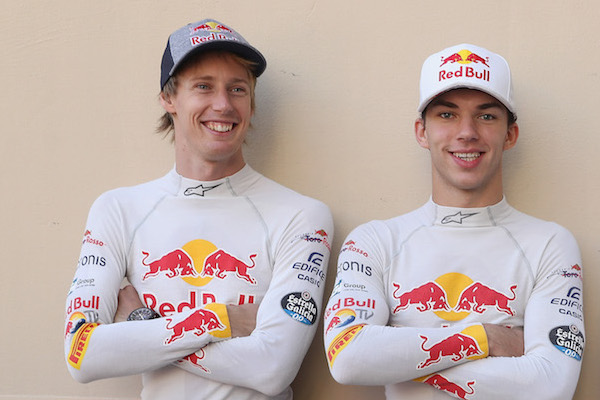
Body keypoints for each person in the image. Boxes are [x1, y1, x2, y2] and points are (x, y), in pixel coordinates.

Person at [64, 19, 333, 400]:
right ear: (168, 98)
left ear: (252, 104)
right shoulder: (118, 209)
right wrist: (221, 320)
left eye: (237, 89)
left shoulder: (302, 216)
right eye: (203, 86)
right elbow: (82, 355)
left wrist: (143, 325)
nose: (222, 105)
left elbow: (271, 369)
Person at [323, 43, 584, 399]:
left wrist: (397, 358)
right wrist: (485, 338)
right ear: (421, 131)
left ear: (510, 134)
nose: (467, 132)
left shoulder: (550, 244)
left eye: (486, 116)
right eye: (447, 115)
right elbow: (349, 359)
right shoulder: (374, 241)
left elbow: (550, 386)